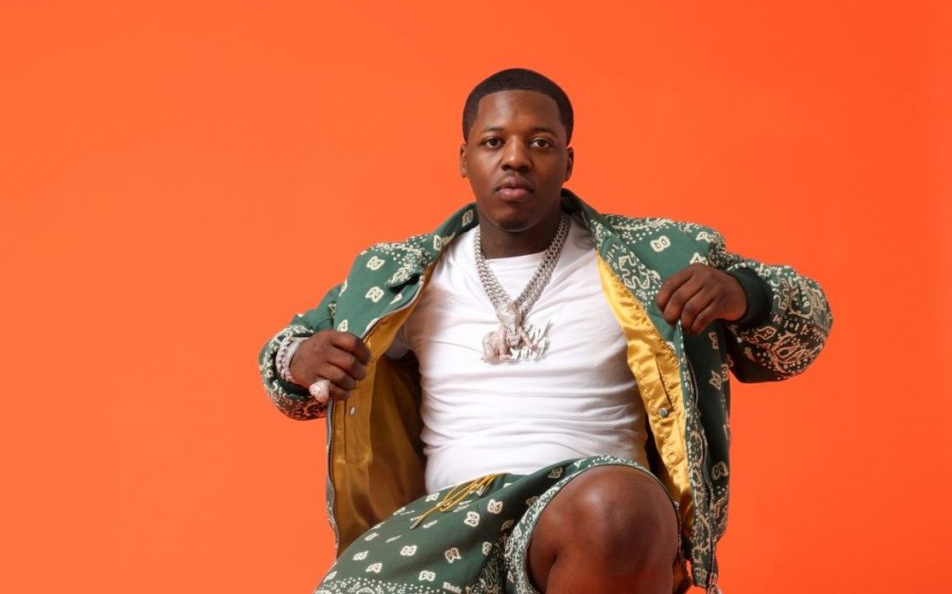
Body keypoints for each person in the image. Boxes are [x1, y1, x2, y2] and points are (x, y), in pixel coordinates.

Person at [259, 68, 832, 593]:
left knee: (616, 508)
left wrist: (743, 295)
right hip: (446, 523)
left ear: (568, 160)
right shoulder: (398, 275)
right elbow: (285, 366)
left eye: (539, 143)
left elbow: (804, 331)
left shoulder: (656, 259)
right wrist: (299, 360)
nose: (515, 159)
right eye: (494, 142)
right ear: (464, 159)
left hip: (593, 504)